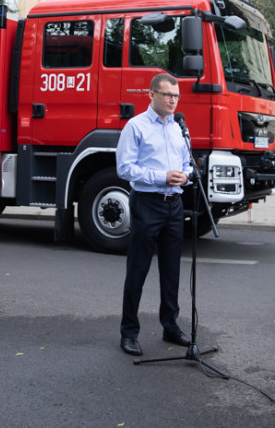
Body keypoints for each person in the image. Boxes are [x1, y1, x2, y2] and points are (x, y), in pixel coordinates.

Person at [116, 73, 193, 356]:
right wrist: (162, 176)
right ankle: (129, 332)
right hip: (147, 203)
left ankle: (170, 325)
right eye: (167, 95)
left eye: (176, 95)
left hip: (174, 205)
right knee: (138, 269)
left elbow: (187, 165)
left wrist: (184, 177)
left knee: (171, 270)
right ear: (151, 95)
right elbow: (125, 169)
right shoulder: (135, 127)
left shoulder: (179, 128)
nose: (173, 100)